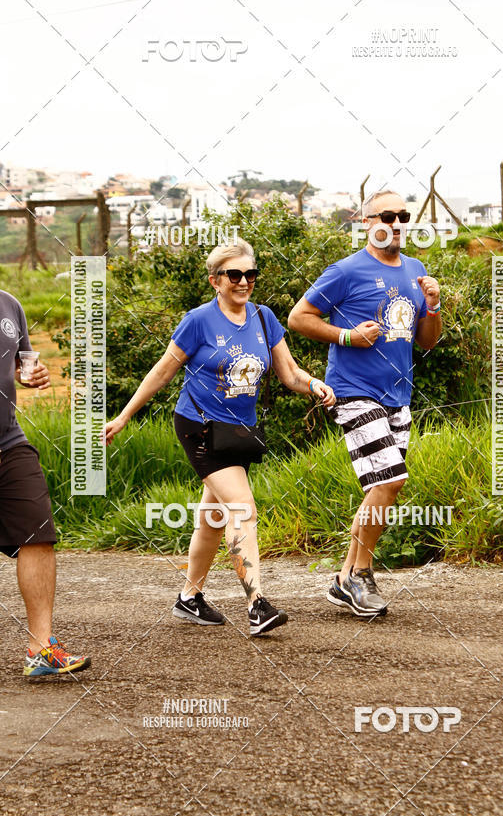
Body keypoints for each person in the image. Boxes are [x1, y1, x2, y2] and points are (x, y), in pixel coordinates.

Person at [104, 240, 335, 635]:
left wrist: (314, 384)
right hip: (199, 425)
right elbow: (162, 372)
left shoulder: (264, 318)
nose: (244, 281)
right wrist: (125, 416)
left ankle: (189, 598)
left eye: (250, 274)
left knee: (213, 516)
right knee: (242, 507)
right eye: (234, 275)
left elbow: (289, 374)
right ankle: (256, 604)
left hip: (237, 432)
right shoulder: (198, 321)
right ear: (216, 280)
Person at [288, 190, 441, 618]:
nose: (395, 223)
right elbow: (298, 318)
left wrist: (433, 306)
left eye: (403, 216)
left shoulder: (415, 270)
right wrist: (347, 336)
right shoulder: (345, 270)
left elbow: (427, 342)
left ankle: (346, 577)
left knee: (383, 487)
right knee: (391, 481)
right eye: (386, 215)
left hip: (399, 396)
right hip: (354, 392)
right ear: (365, 221)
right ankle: (359, 574)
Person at [0, 289, 91, 676]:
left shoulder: (9, 304)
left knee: (38, 533)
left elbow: (22, 365)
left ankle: (42, 649)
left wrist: (30, 375)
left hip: (8, 442)